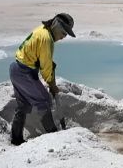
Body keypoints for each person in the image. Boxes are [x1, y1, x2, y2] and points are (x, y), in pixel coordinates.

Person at [9, 13, 76, 145]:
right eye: (63, 33)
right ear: (56, 25)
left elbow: (42, 58)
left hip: (16, 69)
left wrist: (49, 64)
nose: (63, 37)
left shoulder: (43, 30)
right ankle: (53, 136)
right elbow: (45, 68)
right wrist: (52, 84)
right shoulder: (47, 39)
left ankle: (16, 139)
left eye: (66, 35)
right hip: (25, 72)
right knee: (44, 100)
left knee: (23, 105)